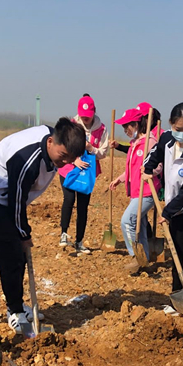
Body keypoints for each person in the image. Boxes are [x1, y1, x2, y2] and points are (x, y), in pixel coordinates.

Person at [0, 119, 86, 333]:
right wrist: (23, 232)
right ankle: (14, 311)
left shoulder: (55, 143)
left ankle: (17, 303)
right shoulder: (27, 159)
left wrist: (22, 233)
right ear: (51, 142)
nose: (63, 164)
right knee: (10, 257)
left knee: (19, 255)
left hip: (12, 199)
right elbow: (16, 201)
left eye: (69, 160)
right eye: (62, 157)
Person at [143, 102, 183, 311]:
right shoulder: (167, 139)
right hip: (172, 208)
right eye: (178, 129)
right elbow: (154, 154)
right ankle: (177, 301)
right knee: (175, 254)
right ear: (171, 124)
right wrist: (148, 167)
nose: (182, 134)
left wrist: (168, 212)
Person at [109, 107, 163, 272]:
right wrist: (120, 179)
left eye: (128, 126)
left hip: (147, 191)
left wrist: (149, 171)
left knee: (127, 220)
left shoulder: (150, 142)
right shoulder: (134, 144)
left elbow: (159, 166)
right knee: (140, 226)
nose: (125, 130)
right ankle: (144, 258)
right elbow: (131, 169)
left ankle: (135, 256)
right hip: (135, 191)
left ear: (137, 124)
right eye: (123, 127)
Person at [58, 94, 109, 254]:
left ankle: (79, 241)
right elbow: (62, 148)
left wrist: (91, 149)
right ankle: (64, 234)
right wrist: (74, 161)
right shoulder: (71, 126)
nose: (85, 118)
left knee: (83, 207)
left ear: (94, 112)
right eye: (82, 115)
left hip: (87, 174)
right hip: (68, 170)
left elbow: (103, 152)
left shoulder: (101, 129)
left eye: (88, 115)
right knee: (69, 198)